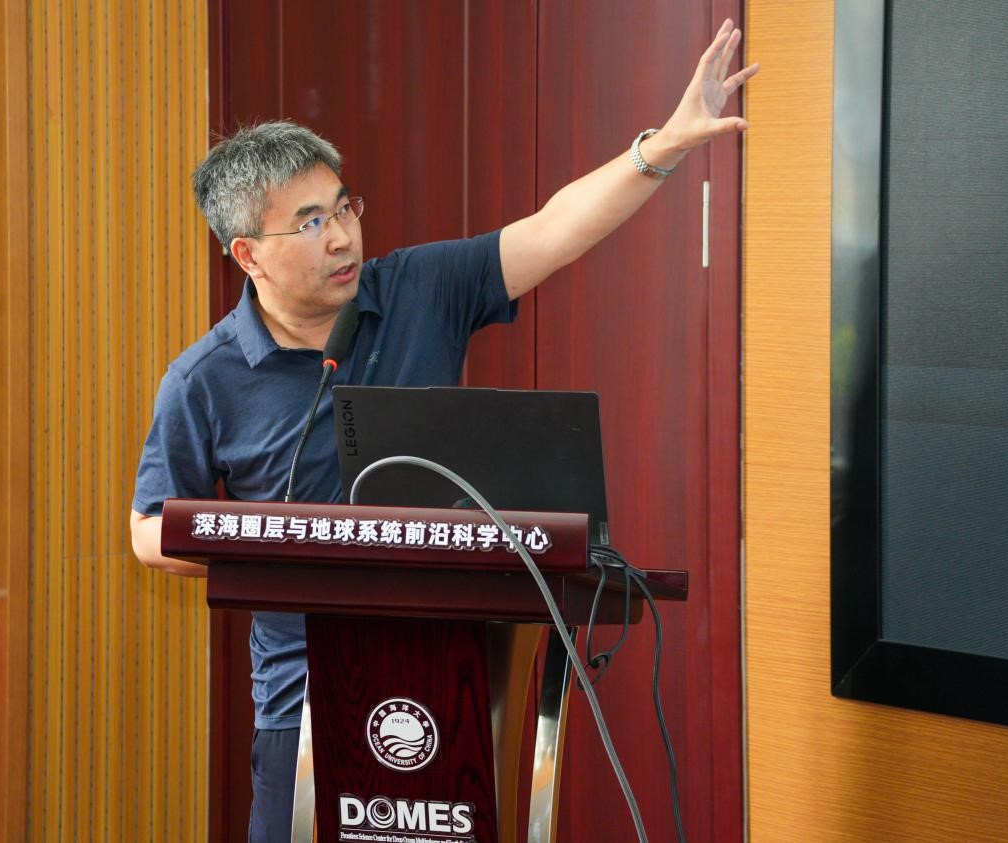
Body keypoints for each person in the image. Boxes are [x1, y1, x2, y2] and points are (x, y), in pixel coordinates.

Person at [130, 19, 757, 842]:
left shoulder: (420, 288)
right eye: (309, 222)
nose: (342, 234)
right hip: (301, 698)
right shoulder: (204, 377)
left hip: (454, 673)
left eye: (343, 206)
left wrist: (662, 147)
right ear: (247, 254)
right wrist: (280, 546)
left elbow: (552, 228)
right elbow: (149, 530)